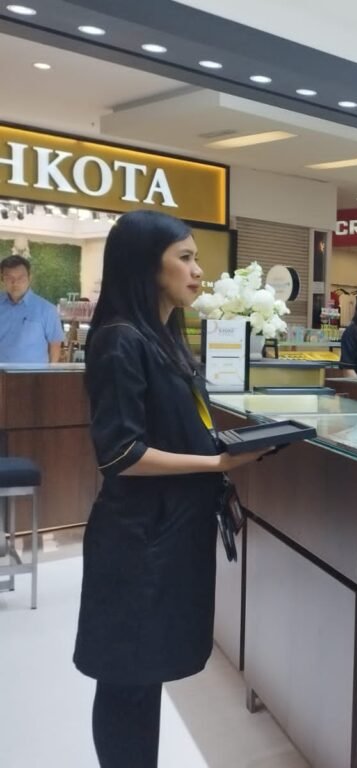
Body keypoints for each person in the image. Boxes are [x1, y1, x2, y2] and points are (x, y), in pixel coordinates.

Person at [74, 210, 268, 768]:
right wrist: (217, 462)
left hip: (169, 532)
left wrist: (223, 447)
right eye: (184, 258)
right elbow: (121, 454)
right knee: (127, 680)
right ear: (146, 266)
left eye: (195, 258)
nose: (198, 271)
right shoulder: (119, 340)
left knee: (146, 673)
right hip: (138, 539)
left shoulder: (161, 339)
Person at [0, 254, 64, 363]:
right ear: (2, 279)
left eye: (21, 278)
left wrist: (51, 372)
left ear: (29, 278)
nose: (15, 283)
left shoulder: (47, 310)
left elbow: (55, 346)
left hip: (32, 373)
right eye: (9, 278)